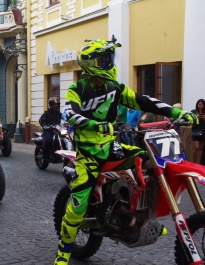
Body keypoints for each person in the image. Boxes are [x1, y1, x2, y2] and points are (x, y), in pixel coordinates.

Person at [56, 39, 198, 265]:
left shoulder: (115, 88)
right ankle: (64, 251)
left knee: (150, 163)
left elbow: (142, 100)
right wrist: (94, 125)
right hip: (89, 153)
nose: (109, 63)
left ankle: (140, 217)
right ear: (91, 64)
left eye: (110, 58)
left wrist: (174, 112)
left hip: (112, 144)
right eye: (104, 59)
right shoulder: (78, 88)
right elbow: (69, 114)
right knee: (79, 202)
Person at [39, 97, 62, 161]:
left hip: (58, 131)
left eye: (57, 104)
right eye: (54, 105)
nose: (56, 106)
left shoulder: (59, 114)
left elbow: (65, 118)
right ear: (51, 105)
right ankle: (45, 156)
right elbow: (41, 121)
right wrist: (46, 126)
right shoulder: (46, 113)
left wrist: (68, 123)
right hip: (49, 131)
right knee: (48, 140)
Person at [191, 99, 205, 164]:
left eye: (202, 105)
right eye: (199, 105)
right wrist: (197, 117)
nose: (201, 106)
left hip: (203, 130)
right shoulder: (193, 111)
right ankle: (194, 162)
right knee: (196, 147)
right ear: (197, 105)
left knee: (201, 148)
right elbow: (191, 120)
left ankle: (198, 163)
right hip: (195, 130)